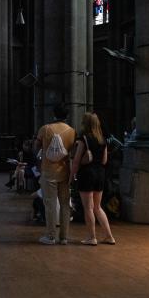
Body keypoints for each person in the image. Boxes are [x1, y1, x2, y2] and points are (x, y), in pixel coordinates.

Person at [70, 112, 117, 246]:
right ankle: (109, 236)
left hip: (87, 174)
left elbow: (76, 161)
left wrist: (72, 175)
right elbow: (104, 160)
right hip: (100, 174)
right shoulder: (102, 139)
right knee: (97, 207)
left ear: (86, 123)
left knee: (88, 208)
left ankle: (92, 237)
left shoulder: (84, 139)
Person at [34, 103, 76, 245]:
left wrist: (42, 157)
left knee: (50, 204)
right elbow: (73, 152)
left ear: (54, 114)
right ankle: (64, 237)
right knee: (65, 204)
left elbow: (36, 146)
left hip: (48, 171)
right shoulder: (72, 131)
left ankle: (51, 236)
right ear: (67, 116)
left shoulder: (46, 129)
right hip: (65, 172)